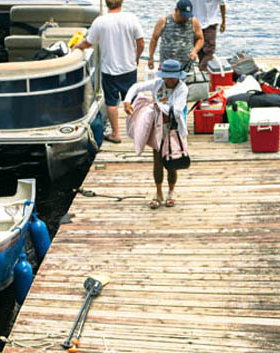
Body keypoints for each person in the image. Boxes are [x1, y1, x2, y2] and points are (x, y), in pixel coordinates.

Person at [73, 0, 145, 145]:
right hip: (129, 67)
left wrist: (76, 47)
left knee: (111, 102)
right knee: (131, 99)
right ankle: (138, 131)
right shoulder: (131, 18)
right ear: (122, 2)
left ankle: (116, 134)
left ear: (106, 3)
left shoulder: (100, 22)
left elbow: (87, 43)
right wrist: (136, 57)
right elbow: (141, 42)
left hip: (109, 69)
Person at [123, 60, 189, 208]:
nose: (170, 80)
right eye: (167, 76)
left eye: (173, 77)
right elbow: (137, 86)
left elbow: (177, 111)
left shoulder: (182, 89)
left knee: (172, 162)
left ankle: (171, 192)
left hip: (173, 129)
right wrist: (127, 101)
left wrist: (156, 105)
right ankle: (158, 193)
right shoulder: (158, 83)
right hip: (157, 128)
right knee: (157, 161)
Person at [146, 0, 203, 74]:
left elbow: (200, 39)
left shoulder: (193, 21)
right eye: (183, 15)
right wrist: (151, 57)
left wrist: (195, 51)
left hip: (186, 66)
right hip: (167, 66)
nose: (185, 18)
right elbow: (154, 39)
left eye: (187, 15)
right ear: (176, 10)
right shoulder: (164, 20)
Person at [193, 0, 226, 70]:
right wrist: (223, 21)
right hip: (210, 22)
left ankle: (202, 69)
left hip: (195, 23)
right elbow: (222, 4)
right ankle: (202, 69)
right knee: (209, 51)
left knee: (200, 50)